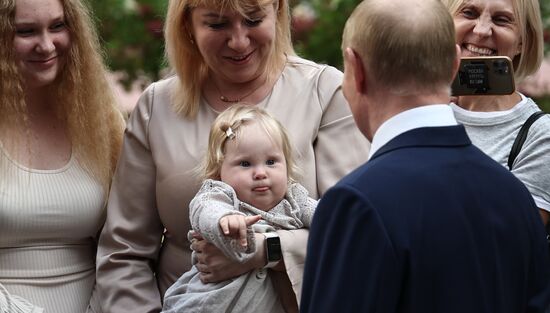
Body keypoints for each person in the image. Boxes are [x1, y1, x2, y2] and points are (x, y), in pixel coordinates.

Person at [92, 0, 369, 312]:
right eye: (217, 24)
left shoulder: (325, 91)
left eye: (253, 20)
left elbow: (352, 234)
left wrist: (266, 250)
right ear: (187, 25)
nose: (238, 41)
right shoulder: (156, 106)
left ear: (277, 11)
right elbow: (124, 252)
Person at [300, 0, 550, 312]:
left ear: (356, 70)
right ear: (455, 65)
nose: (483, 29)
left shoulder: (355, 203)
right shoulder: (513, 195)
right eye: (469, 13)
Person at [0, 0, 124, 312]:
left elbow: (128, 242)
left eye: (57, 26)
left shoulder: (100, 119)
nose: (46, 45)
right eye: (25, 31)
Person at [161, 105, 317, 313]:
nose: (260, 173)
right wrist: (224, 219)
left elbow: (329, 218)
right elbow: (204, 209)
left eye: (271, 162)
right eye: (245, 164)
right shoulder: (220, 195)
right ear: (218, 171)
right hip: (210, 304)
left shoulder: (295, 198)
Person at [441, 0, 550, 225]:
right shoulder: (418, 110)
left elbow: (508, 241)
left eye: (502, 20)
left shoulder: (539, 135)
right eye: (469, 13)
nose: (481, 31)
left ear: (522, 41)